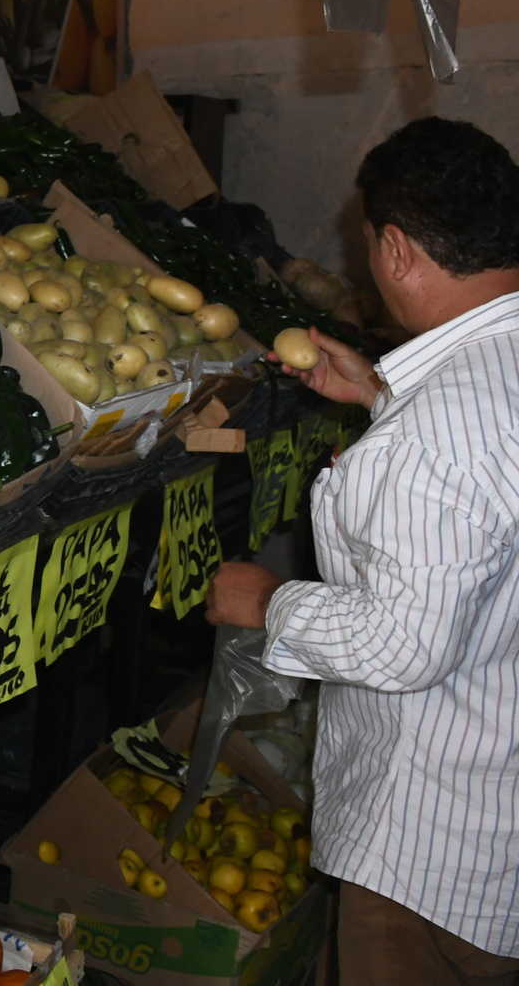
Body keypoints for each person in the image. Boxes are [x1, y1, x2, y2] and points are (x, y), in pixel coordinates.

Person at [207, 118, 519, 986]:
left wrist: (267, 602)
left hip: (435, 851)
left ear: (397, 249)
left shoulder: (436, 435)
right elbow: (486, 489)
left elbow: (402, 645)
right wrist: (382, 398)